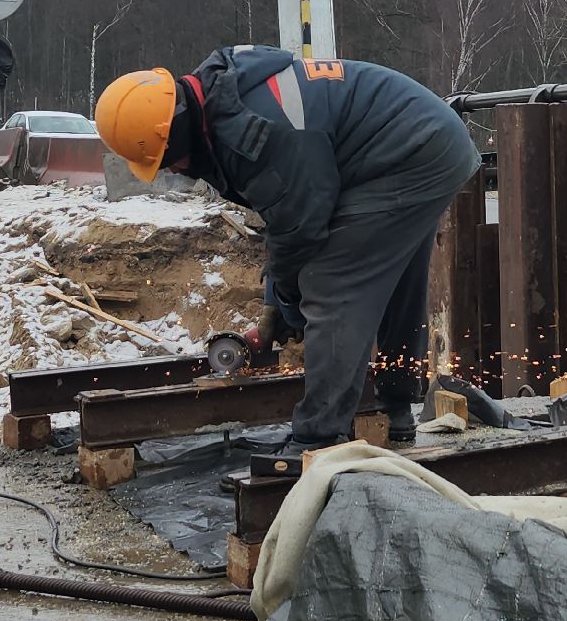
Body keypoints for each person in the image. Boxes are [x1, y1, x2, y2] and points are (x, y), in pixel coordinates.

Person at [94, 46, 478, 466]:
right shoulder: (226, 100)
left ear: (177, 134)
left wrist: (294, 301)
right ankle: (393, 406)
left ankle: (317, 439)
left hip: (409, 155)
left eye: (167, 161)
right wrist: (274, 308)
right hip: (418, 144)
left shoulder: (254, 131)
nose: (173, 170)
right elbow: (284, 219)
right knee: (395, 279)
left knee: (334, 283)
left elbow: (303, 228)